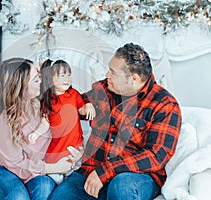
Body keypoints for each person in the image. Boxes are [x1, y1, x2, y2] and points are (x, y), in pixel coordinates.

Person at [49, 43, 182, 200]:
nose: (107, 75)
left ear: (134, 79)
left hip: (135, 177)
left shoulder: (164, 104)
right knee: (60, 196)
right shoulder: (103, 89)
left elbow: (155, 156)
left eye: (112, 72)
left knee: (121, 186)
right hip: (91, 170)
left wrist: (106, 171)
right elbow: (69, 105)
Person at [0, 58, 79, 200]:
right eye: (36, 79)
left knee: (44, 188)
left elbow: (62, 88)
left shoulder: (41, 104)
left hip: (33, 172)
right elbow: (15, 163)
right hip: (3, 170)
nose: (41, 82)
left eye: (40, 77)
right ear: (21, 86)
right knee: (18, 196)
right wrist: (55, 168)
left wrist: (74, 155)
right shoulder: (4, 117)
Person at [28, 59, 96, 185]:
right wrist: (36, 133)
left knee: (73, 181)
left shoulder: (73, 94)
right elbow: (45, 122)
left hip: (75, 150)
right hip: (56, 153)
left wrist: (88, 106)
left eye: (69, 75)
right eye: (62, 75)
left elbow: (82, 109)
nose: (67, 79)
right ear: (50, 78)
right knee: (55, 182)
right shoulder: (48, 100)